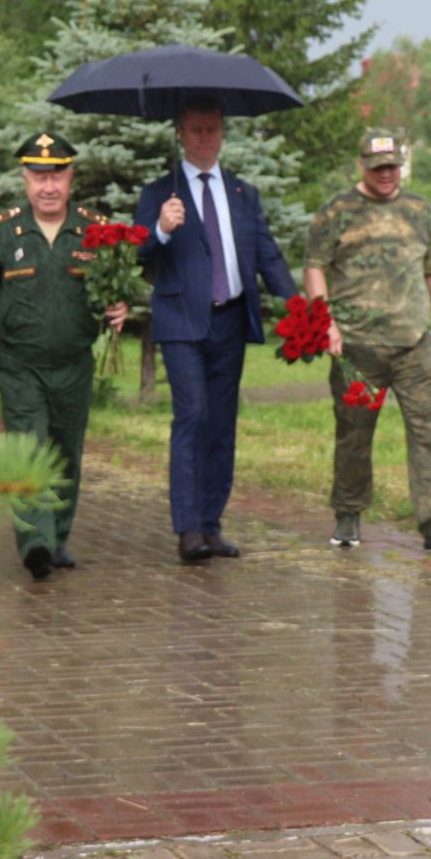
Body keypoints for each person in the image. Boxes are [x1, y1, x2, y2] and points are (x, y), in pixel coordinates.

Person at [133, 99, 297, 565]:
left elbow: (267, 254)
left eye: (213, 129)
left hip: (230, 318)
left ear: (223, 134)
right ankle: (187, 529)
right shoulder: (160, 193)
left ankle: (211, 523)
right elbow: (136, 252)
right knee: (193, 416)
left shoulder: (243, 193)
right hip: (182, 320)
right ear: (181, 133)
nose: (205, 137)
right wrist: (161, 230)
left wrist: (297, 306)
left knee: (222, 424)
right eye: (196, 129)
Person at [303, 129, 431, 552]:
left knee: (426, 430)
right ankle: (348, 513)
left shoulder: (420, 210)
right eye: (378, 166)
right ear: (362, 165)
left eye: (393, 166)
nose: (386, 174)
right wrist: (325, 322)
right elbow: (314, 268)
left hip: (414, 342)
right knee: (354, 434)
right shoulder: (336, 212)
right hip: (357, 347)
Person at [0, 134, 127, 579]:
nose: (48, 186)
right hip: (20, 365)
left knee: (65, 453)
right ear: (25, 179)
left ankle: (56, 536)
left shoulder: (95, 230)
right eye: (39, 177)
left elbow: (114, 290)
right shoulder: (3, 232)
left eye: (56, 175)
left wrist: (120, 307)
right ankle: (34, 541)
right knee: (28, 447)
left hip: (74, 363)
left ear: (71, 177)